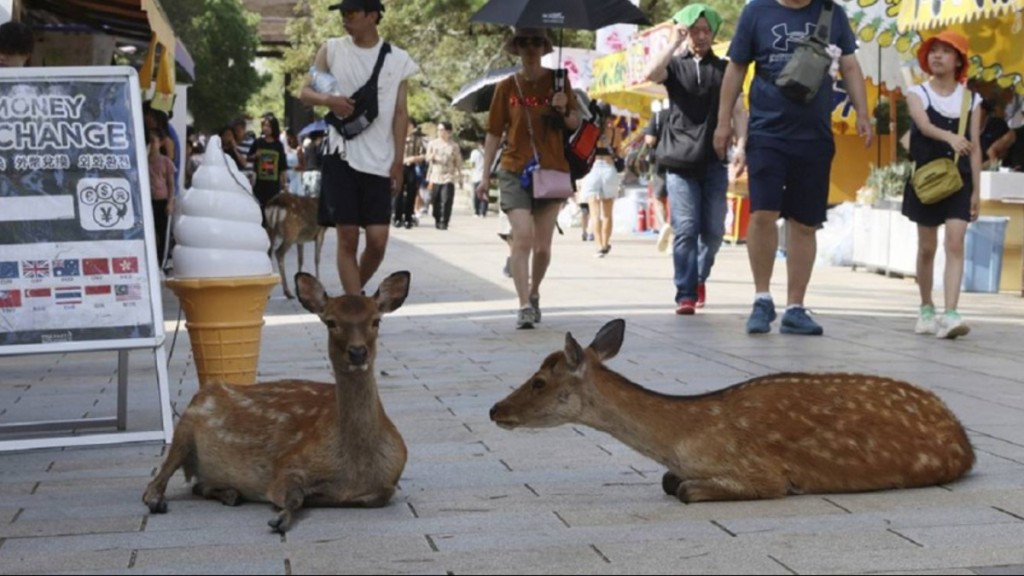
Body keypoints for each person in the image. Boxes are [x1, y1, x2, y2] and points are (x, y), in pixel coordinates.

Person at [714, 0, 873, 335]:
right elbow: (736, 69)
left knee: (805, 223)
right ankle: (761, 298)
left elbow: (850, 66)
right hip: (767, 132)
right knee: (762, 214)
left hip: (814, 136)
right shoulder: (757, 11)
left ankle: (795, 308)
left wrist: (863, 113)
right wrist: (723, 122)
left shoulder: (832, 13)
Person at [298, 0, 418, 295]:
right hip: (342, 157)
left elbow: (401, 113)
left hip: (380, 160)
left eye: (351, 12)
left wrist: (399, 162)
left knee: (378, 241)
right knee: (348, 237)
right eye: (342, 13)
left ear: (372, 16)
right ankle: (355, 303)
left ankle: (351, 297)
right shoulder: (332, 49)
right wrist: (330, 101)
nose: (344, 18)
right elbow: (305, 92)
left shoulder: (398, 59)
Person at [646, 5, 749, 314]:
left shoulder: (726, 69)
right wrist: (673, 41)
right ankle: (686, 292)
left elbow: (739, 110)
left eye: (706, 31)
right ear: (686, 32)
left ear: (713, 34)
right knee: (686, 228)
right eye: (695, 30)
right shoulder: (675, 67)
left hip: (715, 159)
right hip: (678, 160)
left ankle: (699, 276)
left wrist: (741, 145)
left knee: (715, 231)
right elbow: (652, 73)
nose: (701, 36)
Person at [474, 27, 579, 329]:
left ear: (545, 47)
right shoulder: (506, 87)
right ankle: (523, 305)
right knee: (523, 238)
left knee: (543, 247)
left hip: (551, 169)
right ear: (516, 47)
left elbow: (574, 122)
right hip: (514, 169)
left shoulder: (559, 82)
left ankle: (534, 293)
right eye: (524, 42)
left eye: (536, 42)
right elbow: (494, 133)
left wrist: (562, 109)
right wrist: (484, 177)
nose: (530, 48)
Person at [902, 31, 982, 339]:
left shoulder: (972, 99)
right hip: (927, 178)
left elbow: (974, 145)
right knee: (927, 247)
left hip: (958, 179)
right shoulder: (917, 92)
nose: (937, 56)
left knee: (955, 242)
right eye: (933, 51)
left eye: (945, 52)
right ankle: (926, 306)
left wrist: (976, 190)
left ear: (958, 60)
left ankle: (951, 313)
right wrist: (949, 137)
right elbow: (923, 125)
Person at [579, 101, 622, 258]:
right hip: (609, 169)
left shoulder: (590, 131)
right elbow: (619, 153)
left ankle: (598, 246)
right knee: (607, 214)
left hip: (592, 170)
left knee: (594, 212)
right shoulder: (615, 132)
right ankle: (605, 243)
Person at [247, 114, 288, 227]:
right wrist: (255, 156)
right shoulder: (258, 142)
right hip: (259, 182)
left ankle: (270, 233)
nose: (266, 128)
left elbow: (283, 165)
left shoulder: (278, 145)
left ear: (273, 128)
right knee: (259, 207)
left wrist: (284, 183)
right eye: (264, 125)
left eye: (268, 126)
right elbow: (248, 157)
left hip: (273, 183)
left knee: (271, 209)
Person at [643, 99, 671, 252]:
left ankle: (664, 225)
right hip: (682, 159)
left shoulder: (658, 116)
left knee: (659, 197)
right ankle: (674, 232)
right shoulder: (681, 113)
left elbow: (650, 140)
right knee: (678, 198)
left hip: (661, 161)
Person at [146, 129, 176, 268]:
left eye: (154, 142)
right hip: (147, 202)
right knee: (150, 232)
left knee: (163, 232)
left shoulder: (165, 161)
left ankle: (161, 263)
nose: (151, 145)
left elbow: (171, 183)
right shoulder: (144, 161)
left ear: (160, 143)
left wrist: (170, 202)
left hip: (161, 200)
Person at [425, 121, 463, 230]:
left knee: (446, 200)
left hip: (448, 176)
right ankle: (437, 217)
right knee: (435, 200)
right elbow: (427, 158)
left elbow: (458, 162)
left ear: (448, 132)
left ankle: (444, 221)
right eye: (438, 130)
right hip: (435, 175)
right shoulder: (433, 144)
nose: (440, 132)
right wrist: (432, 156)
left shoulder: (454, 146)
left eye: (442, 130)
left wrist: (460, 178)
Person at [395, 121, 426, 228]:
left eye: (410, 125)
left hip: (411, 167)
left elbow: (424, 155)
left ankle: (408, 217)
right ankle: (397, 217)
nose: (407, 127)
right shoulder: (396, 137)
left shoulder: (417, 140)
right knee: (398, 192)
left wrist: (414, 158)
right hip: (399, 167)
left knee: (411, 193)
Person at [469, 140, 488, 216]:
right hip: (485, 176)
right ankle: (483, 211)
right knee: (485, 194)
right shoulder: (488, 152)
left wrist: (471, 171)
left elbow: (472, 164)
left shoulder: (474, 152)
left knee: (476, 194)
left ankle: (476, 211)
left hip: (476, 176)